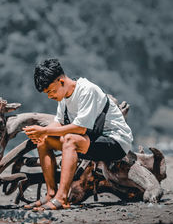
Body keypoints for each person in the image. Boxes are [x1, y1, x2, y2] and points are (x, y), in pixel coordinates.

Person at [23, 58, 133, 210]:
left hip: (115, 142)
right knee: (44, 141)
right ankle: (51, 194)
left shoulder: (87, 90)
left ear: (61, 81)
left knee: (70, 139)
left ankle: (62, 199)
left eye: (51, 91)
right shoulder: (63, 98)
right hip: (91, 141)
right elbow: (58, 123)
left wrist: (44, 129)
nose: (50, 96)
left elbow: (80, 129)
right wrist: (39, 133)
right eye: (47, 93)